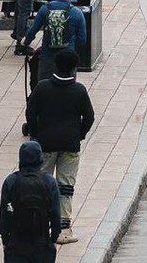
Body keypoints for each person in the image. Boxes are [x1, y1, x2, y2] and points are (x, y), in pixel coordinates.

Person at [24, 49, 95, 246]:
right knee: (66, 186)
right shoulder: (79, 90)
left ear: (55, 66)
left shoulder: (42, 87)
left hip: (45, 144)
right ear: (74, 69)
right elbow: (89, 117)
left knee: (42, 183)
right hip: (70, 145)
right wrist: (79, 134)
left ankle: (41, 224)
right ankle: (64, 228)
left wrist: (35, 134)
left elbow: (30, 113)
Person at [0, 141, 61, 263]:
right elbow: (56, 214)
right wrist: (53, 239)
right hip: (42, 242)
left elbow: (4, 215)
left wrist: (6, 241)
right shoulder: (49, 182)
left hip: (17, 243)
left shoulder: (11, 181)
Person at [24, 0, 88, 84]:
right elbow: (82, 39)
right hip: (68, 58)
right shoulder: (76, 13)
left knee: (44, 86)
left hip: (47, 56)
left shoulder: (45, 9)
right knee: (67, 88)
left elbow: (33, 30)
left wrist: (25, 41)